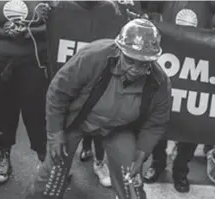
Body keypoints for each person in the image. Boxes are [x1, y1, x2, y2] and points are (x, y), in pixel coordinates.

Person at [26, 18, 171, 199]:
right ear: (119, 50)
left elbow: (156, 123)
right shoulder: (93, 56)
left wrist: (142, 153)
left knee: (131, 180)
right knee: (52, 174)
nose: (135, 69)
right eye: (130, 61)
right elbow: (58, 93)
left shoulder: (160, 81)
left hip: (119, 127)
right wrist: (55, 133)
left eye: (143, 64)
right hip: (77, 119)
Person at [142, 0, 215, 193]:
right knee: (158, 115)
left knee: (193, 119)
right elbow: (144, 5)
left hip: (198, 64)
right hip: (168, 60)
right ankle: (158, 163)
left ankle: (180, 171)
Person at [0, 1, 51, 185]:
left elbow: (55, 24)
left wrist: (28, 32)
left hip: (35, 62)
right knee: (3, 114)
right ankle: (5, 159)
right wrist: (4, 32)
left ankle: (45, 161)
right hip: (1, 62)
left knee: (36, 114)